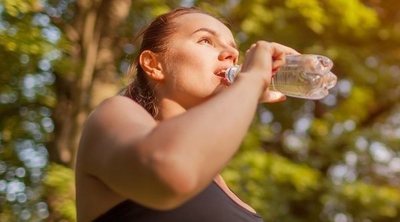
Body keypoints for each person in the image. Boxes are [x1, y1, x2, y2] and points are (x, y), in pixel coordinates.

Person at [75, 6, 298, 222]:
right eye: (205, 41)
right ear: (154, 64)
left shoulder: (224, 186)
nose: (231, 54)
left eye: (233, 48)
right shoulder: (113, 113)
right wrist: (252, 80)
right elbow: (169, 171)